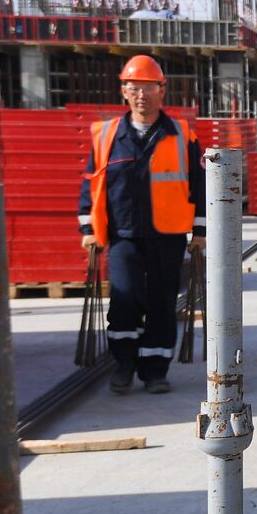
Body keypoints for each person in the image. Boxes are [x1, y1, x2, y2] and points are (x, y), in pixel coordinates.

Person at [78, 55, 206, 394]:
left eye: (149, 88)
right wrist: (88, 229)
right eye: (134, 88)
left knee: (163, 302)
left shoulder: (181, 135)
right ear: (123, 91)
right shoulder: (106, 135)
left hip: (168, 234)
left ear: (161, 91)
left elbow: (199, 186)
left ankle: (155, 370)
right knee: (124, 299)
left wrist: (201, 232)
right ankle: (123, 364)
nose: (141, 95)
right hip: (123, 235)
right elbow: (91, 184)